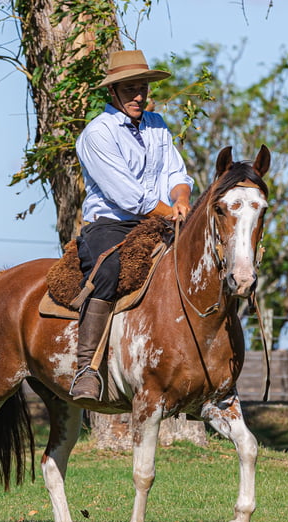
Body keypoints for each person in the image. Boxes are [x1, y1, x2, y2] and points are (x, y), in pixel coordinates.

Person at [71, 49, 194, 403]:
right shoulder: (98, 134)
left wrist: (182, 198)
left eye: (141, 88)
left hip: (161, 218)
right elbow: (129, 196)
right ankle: (86, 369)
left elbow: (176, 173)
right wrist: (170, 212)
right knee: (108, 270)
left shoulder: (157, 125)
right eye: (129, 89)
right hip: (111, 224)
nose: (138, 95)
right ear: (113, 92)